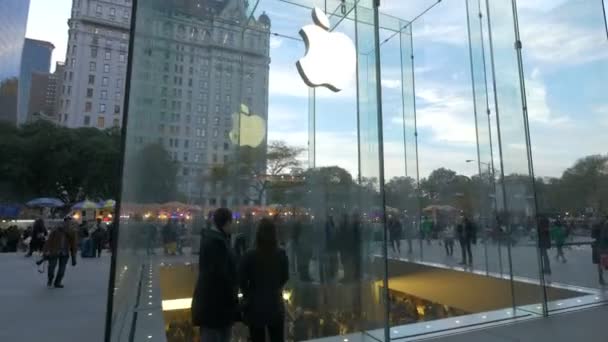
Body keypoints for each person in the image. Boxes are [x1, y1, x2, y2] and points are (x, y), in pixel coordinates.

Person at [191, 208, 238, 342]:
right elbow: (221, 276)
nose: (234, 225)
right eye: (232, 222)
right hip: (216, 308)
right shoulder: (217, 244)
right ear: (227, 223)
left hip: (213, 308)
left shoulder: (213, 239)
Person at [239, 218, 289, 342]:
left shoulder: (249, 255)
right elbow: (285, 277)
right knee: (277, 338)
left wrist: (248, 293)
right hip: (275, 304)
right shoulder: (281, 254)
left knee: (257, 338)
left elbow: (241, 280)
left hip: (255, 305)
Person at [42, 217, 77, 288]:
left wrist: (73, 258)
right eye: (67, 222)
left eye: (70, 223)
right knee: (51, 267)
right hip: (54, 252)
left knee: (62, 269)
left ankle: (57, 282)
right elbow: (49, 241)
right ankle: (50, 279)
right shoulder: (56, 230)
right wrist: (46, 251)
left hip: (65, 252)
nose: (68, 224)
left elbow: (73, 245)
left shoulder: (72, 232)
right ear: (64, 222)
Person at [591, 217, 608, 285]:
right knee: (603, 264)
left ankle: (601, 279)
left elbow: (592, 236)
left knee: (600, 264)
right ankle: (601, 279)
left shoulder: (597, 227)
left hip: (597, 246)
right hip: (604, 248)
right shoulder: (606, 226)